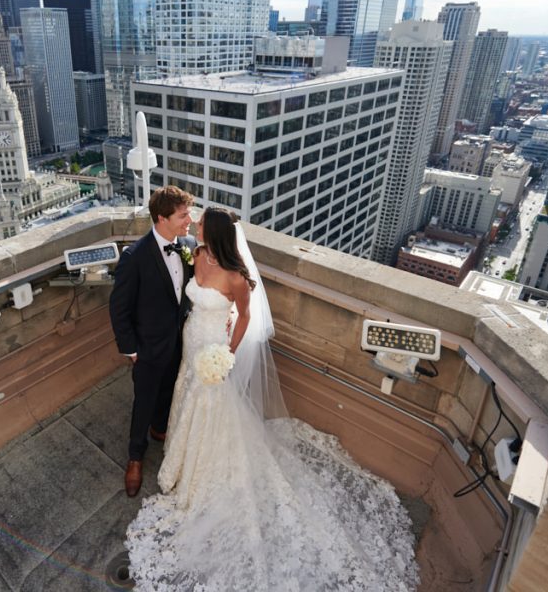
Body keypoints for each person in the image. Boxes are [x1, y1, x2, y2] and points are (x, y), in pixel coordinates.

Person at [125, 207, 419, 591]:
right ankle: (179, 449)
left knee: (211, 404)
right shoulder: (195, 253)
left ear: (214, 233)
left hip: (214, 348)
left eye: (199, 223)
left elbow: (245, 318)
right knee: (185, 393)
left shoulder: (238, 279)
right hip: (190, 340)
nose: (193, 224)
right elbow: (185, 297)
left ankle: (201, 468)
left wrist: (227, 352)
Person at [109, 186, 197, 497]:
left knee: (169, 391)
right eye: (183, 215)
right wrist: (132, 349)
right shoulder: (135, 257)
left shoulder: (188, 245)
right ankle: (135, 456)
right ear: (162, 218)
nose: (190, 220)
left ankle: (161, 427)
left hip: (179, 341)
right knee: (143, 402)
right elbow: (119, 309)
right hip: (146, 348)